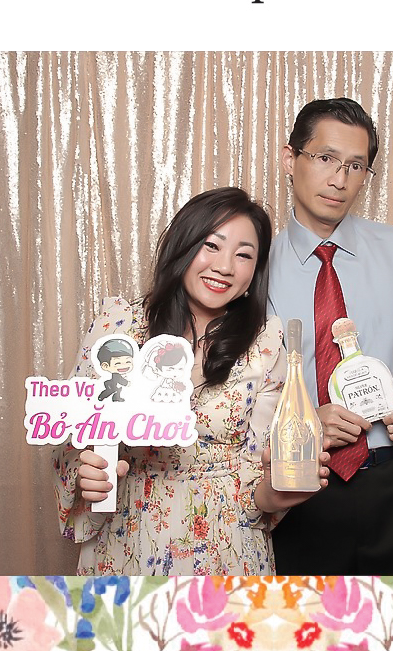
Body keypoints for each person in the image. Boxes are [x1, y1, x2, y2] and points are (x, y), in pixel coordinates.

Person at [54, 187, 326, 573]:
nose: (225, 266)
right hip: (127, 541)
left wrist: (278, 491)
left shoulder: (266, 343)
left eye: (244, 255)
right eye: (211, 246)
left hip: (228, 548)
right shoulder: (119, 325)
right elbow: (72, 435)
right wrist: (90, 476)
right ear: (183, 246)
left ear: (255, 272)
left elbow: (257, 482)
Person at [265, 97, 393, 573]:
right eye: (325, 157)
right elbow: (234, 390)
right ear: (290, 159)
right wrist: (304, 421)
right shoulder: (253, 270)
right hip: (299, 483)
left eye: (356, 166)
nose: (339, 179)